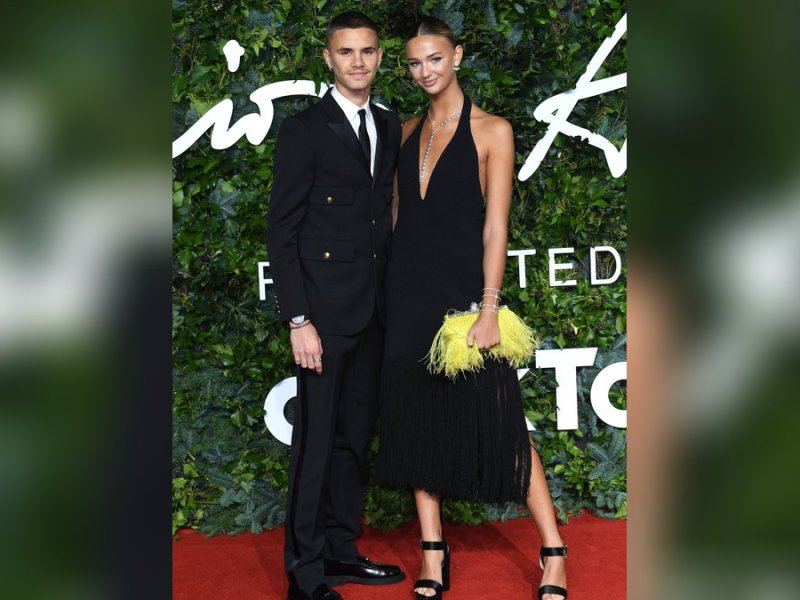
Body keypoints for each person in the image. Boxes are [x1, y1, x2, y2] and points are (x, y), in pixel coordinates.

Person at [375, 16, 568, 600]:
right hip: (407, 294)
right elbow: (395, 219)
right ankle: (433, 551)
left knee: (501, 416)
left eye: (434, 58)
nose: (424, 71)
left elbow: (496, 226)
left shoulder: (493, 130)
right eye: (413, 62)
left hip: (464, 299)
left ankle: (553, 552)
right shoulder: (404, 132)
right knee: (415, 418)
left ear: (456, 56)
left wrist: (489, 306)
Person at [266, 11, 404, 600]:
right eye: (346, 52)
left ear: (379, 58)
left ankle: (342, 552)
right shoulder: (304, 129)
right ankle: (305, 575)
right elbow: (283, 230)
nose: (357, 62)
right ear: (328, 59)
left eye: (367, 51)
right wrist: (299, 320)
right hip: (321, 317)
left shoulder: (390, 123)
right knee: (316, 446)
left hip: (373, 313)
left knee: (353, 440)